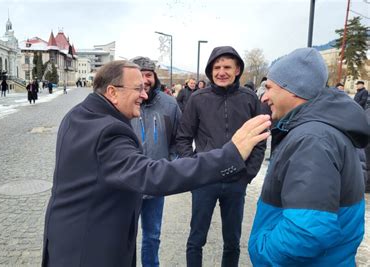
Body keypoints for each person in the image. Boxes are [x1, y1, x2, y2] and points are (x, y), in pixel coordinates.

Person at [42, 60, 271, 267]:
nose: (144, 94)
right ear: (112, 92)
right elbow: (152, 175)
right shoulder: (109, 131)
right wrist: (229, 155)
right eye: (138, 88)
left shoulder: (78, 114)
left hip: (66, 239)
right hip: (91, 251)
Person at [248, 47, 370, 266]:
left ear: (293, 89)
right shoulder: (321, 130)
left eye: (269, 87)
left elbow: (307, 231)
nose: (264, 97)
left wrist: (262, 250)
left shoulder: (312, 139)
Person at [176, 46, 265, 267]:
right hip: (204, 180)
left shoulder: (250, 98)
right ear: (210, 71)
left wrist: (248, 173)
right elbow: (183, 137)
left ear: (237, 70)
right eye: (216, 67)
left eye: (227, 67)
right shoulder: (197, 99)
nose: (221, 72)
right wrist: (193, 169)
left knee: (232, 241)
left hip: (237, 180)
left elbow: (261, 138)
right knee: (196, 239)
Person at [129, 57, 181, 267]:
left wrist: (168, 165)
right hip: (128, 184)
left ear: (155, 77)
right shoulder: (124, 102)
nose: (144, 79)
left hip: (155, 182)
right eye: (139, 75)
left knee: (152, 236)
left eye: (148, 74)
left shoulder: (169, 104)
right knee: (124, 236)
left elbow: (179, 138)